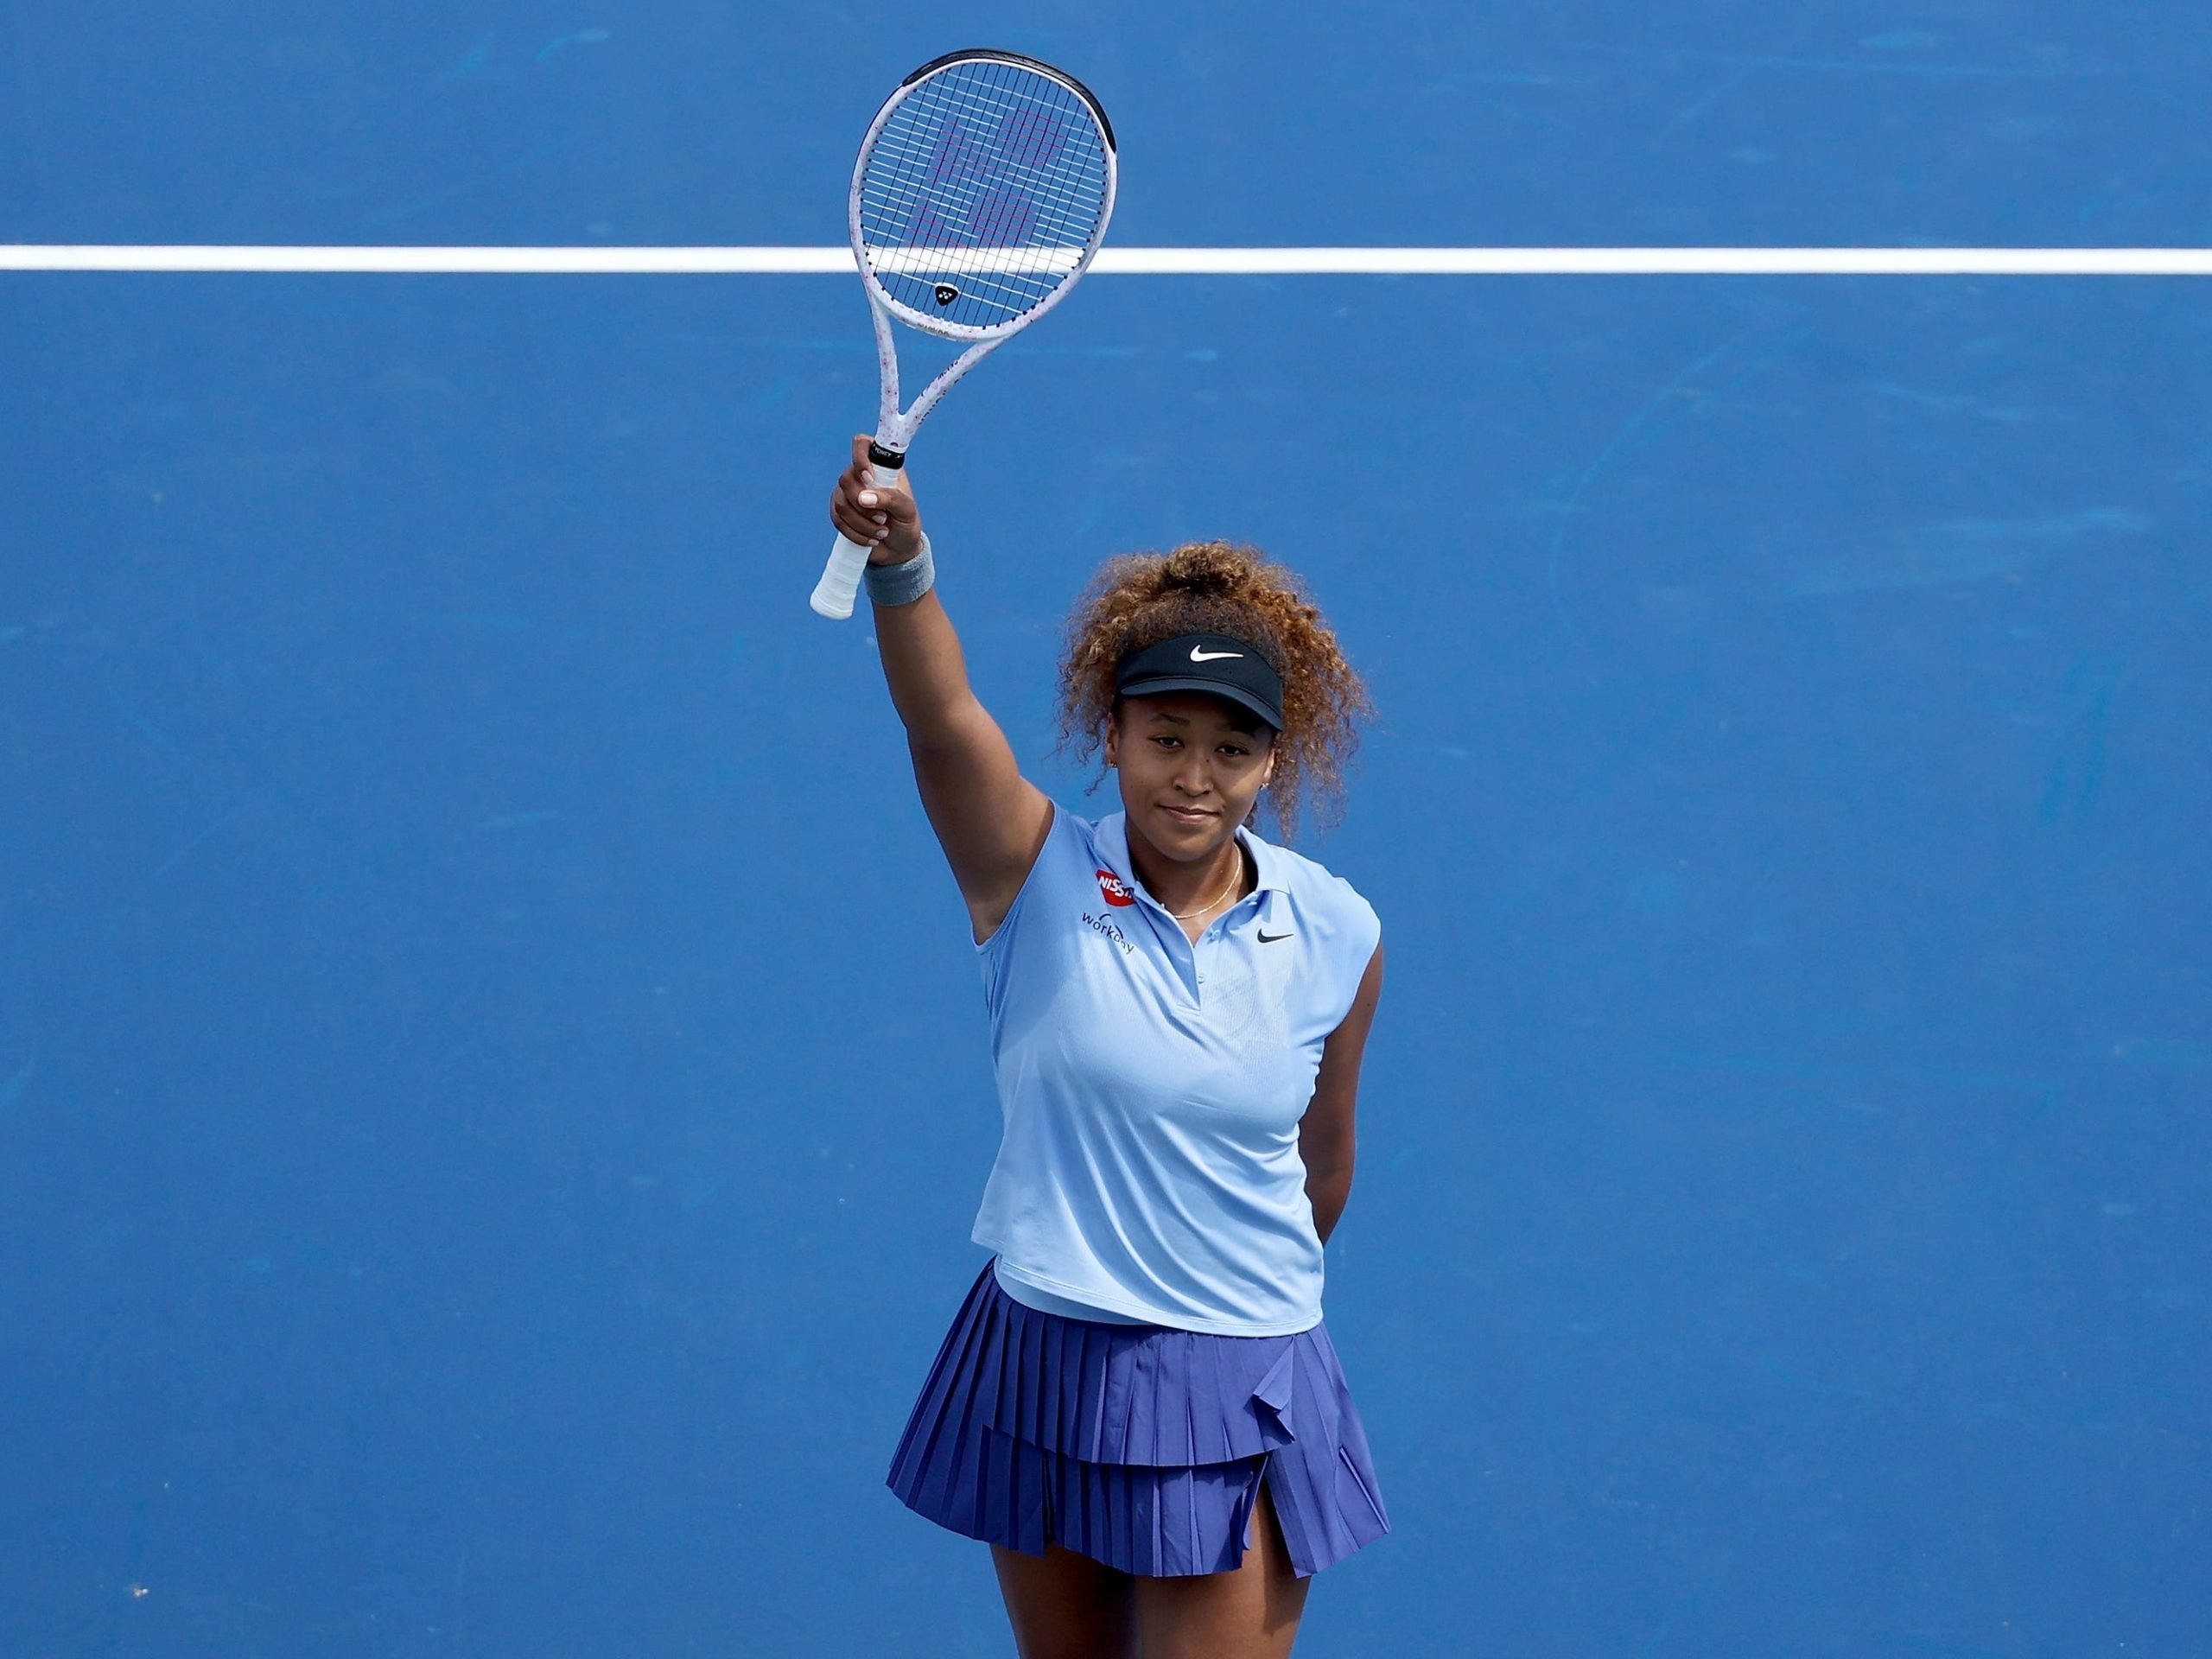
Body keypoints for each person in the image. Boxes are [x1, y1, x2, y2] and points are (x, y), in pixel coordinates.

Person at [830, 435, 1389, 1659]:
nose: (1196, 778)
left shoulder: (1337, 931)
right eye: (1166, 739)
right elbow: (942, 720)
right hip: (1042, 1353)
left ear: (1272, 761)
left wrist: (1213, 1292)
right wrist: (903, 560)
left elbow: (1324, 1165)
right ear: (1115, 734)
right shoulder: (1030, 877)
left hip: (1236, 1375)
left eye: (1232, 750)